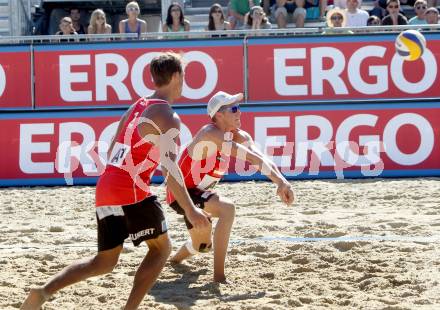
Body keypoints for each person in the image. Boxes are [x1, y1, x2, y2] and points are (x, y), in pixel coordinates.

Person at [21, 52, 211, 310]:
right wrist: (190, 209)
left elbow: (114, 143)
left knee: (104, 262)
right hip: (129, 189)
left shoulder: (138, 105)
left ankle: (42, 292)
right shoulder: (168, 116)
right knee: (161, 249)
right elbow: (170, 167)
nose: (185, 80)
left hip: (107, 184)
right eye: (184, 75)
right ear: (176, 76)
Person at [166, 91, 294, 283]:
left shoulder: (240, 135)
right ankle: (219, 277)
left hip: (200, 191)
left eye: (239, 107)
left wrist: (282, 181)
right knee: (228, 209)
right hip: (180, 193)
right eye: (233, 108)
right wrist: (279, 182)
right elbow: (252, 158)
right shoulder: (209, 134)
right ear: (219, 114)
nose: (239, 112)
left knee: (202, 245)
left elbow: (262, 158)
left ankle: (174, 260)